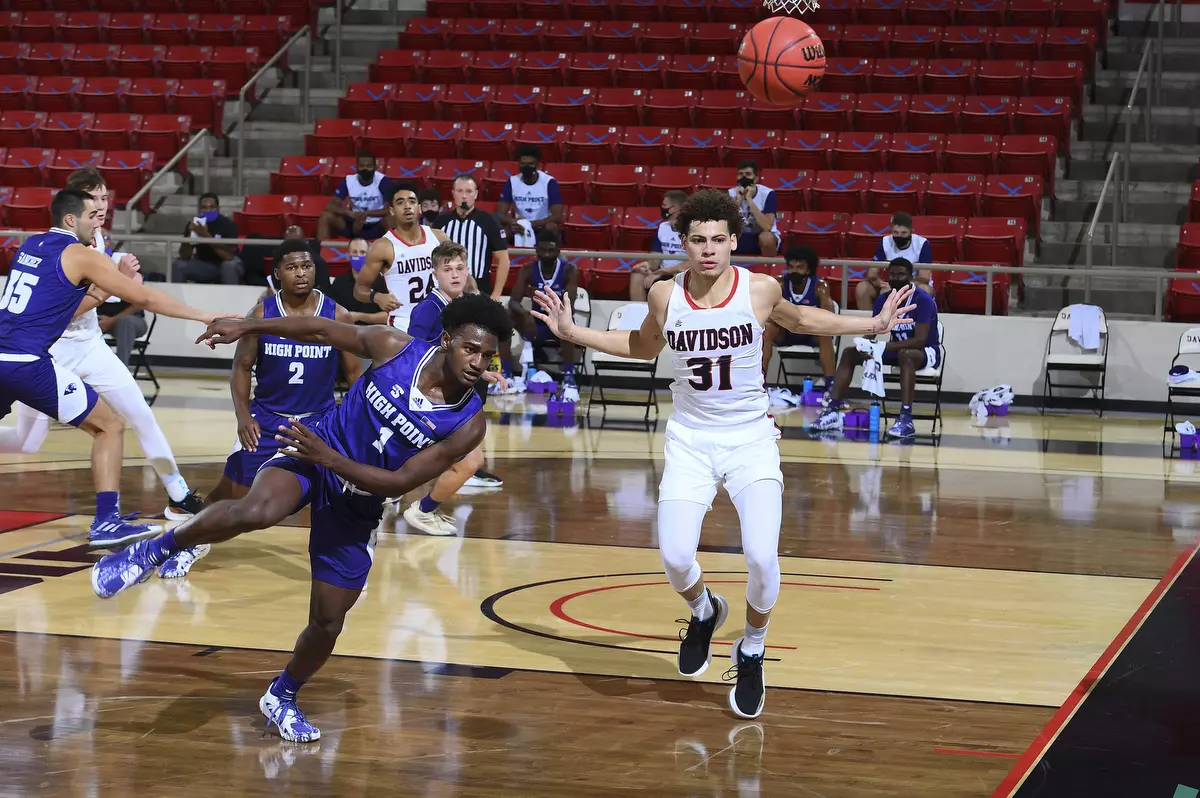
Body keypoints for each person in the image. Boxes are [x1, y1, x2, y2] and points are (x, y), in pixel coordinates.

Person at [531, 189, 913, 719]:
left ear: (734, 241)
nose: (708, 249)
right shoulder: (665, 295)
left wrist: (870, 326)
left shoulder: (759, 289)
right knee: (674, 557)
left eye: (718, 239)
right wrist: (574, 332)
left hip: (750, 439)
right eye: (697, 240)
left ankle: (752, 646)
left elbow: (801, 319)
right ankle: (704, 610)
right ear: (683, 243)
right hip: (689, 439)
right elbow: (642, 348)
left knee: (760, 556)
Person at [91, 293, 514, 745]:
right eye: (470, 348)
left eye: (487, 354)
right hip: (313, 455)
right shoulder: (397, 347)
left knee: (329, 620)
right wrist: (247, 327)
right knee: (257, 510)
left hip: (358, 496)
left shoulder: (468, 423)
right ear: (448, 340)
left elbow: (397, 483)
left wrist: (330, 459)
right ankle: (152, 550)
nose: (477, 361)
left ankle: (282, 695)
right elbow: (320, 330)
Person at [0, 189, 231, 547]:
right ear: (70, 219)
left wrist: (103, 287)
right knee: (109, 426)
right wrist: (204, 314)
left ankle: (170, 496)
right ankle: (107, 521)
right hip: (29, 363)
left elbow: (57, 307)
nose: (99, 219)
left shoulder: (29, 246)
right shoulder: (79, 254)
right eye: (92, 213)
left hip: (5, 353)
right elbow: (145, 298)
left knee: (34, 437)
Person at [157, 239, 367, 577]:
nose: (301, 273)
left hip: (320, 423)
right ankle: (190, 541)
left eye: (307, 265)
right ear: (277, 274)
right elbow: (241, 367)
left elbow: (356, 372)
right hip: (267, 421)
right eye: (292, 267)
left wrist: (354, 422)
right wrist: (243, 415)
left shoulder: (337, 314)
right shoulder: (261, 314)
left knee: (334, 496)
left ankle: (343, 560)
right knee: (232, 494)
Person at [401, 241, 500, 536]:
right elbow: (414, 355)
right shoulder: (428, 309)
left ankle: (419, 507)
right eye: (447, 270)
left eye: (459, 268)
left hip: (447, 403)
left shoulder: (458, 308)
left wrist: (483, 375)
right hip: (431, 403)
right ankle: (421, 510)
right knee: (471, 462)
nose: (455, 275)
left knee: (451, 461)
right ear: (435, 274)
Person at [814, 257, 938, 440]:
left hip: (927, 351)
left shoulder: (923, 300)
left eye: (901, 274)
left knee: (907, 355)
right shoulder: (883, 300)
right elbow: (873, 332)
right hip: (898, 349)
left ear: (910, 277)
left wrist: (883, 346)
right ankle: (832, 409)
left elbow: (920, 341)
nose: (896, 278)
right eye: (892, 274)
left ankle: (906, 418)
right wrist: (866, 345)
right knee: (850, 353)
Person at [352, 183, 453, 332]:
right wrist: (377, 297)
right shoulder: (383, 247)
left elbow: (460, 274)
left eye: (412, 201)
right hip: (403, 326)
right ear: (392, 211)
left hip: (440, 322)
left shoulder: (439, 238)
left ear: (419, 207)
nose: (407, 206)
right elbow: (359, 289)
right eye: (400, 202)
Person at [509, 229, 579, 402]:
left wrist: (540, 297)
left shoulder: (569, 270)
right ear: (536, 250)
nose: (547, 254)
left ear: (558, 251)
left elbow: (569, 302)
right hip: (535, 324)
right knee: (507, 315)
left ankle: (569, 377)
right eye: (543, 250)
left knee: (568, 322)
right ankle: (507, 374)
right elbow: (513, 301)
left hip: (558, 323)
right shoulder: (527, 270)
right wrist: (525, 314)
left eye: (551, 251)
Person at [762, 244, 836, 391]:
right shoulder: (780, 283)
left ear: (809, 270)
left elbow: (827, 318)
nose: (794, 271)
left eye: (800, 267)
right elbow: (767, 314)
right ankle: (760, 382)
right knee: (768, 330)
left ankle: (830, 386)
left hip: (810, 332)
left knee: (825, 333)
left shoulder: (820, 286)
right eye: (791, 267)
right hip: (786, 331)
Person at [432, 175, 512, 303]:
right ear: (453, 194)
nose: (464, 196)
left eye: (468, 191)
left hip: (480, 290)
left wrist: (496, 295)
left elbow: (503, 259)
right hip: (445, 291)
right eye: (460, 191)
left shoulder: (488, 221)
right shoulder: (441, 222)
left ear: (476, 194)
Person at [857, 211, 934, 310]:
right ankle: (869, 324)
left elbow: (924, 278)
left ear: (911, 231)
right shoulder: (885, 242)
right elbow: (872, 274)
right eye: (896, 232)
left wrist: (900, 287)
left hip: (912, 286)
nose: (899, 236)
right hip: (890, 284)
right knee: (862, 288)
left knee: (926, 290)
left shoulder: (922, 244)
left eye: (903, 233)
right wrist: (882, 284)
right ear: (891, 230)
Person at [316, 152, 392, 242]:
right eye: (362, 166)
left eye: (369, 166)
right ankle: (319, 252)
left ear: (375, 167)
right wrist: (348, 213)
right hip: (353, 222)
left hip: (376, 223)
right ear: (357, 167)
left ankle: (396, 252)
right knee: (326, 216)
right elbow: (330, 206)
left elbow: (390, 209)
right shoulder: (349, 181)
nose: (365, 169)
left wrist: (367, 214)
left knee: (391, 219)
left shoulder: (383, 181)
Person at [630, 190, 688, 302]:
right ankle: (640, 316)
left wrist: (663, 272)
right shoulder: (662, 228)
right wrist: (646, 265)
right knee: (637, 274)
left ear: (674, 208)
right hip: (662, 272)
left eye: (664, 205)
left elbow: (693, 262)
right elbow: (655, 260)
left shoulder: (692, 229)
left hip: (683, 273)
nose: (662, 208)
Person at [171, 193, 243, 284]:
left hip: (227, 264)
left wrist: (205, 235)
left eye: (212, 207)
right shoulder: (195, 225)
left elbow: (229, 256)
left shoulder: (228, 224)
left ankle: (231, 297)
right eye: (204, 207)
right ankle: (176, 298)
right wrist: (190, 237)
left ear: (218, 209)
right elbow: (184, 256)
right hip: (205, 265)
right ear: (199, 209)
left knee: (229, 265)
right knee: (177, 266)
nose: (208, 210)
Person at [495, 145, 563, 238]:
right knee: (502, 233)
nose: (527, 167)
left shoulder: (549, 182)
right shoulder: (512, 182)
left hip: (541, 226)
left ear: (537, 165)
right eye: (523, 164)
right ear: (519, 165)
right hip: (519, 226)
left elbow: (557, 217)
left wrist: (532, 224)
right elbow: (499, 214)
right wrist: (513, 222)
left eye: (531, 164)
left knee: (552, 227)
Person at [727, 161, 781, 259]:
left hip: (759, 237)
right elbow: (725, 223)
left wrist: (749, 200)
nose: (744, 178)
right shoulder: (731, 193)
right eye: (740, 174)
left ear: (755, 179)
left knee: (766, 238)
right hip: (739, 237)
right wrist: (738, 201)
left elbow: (767, 227)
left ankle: (768, 268)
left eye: (748, 174)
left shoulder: (768, 194)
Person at [329, 238, 388, 324]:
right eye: (354, 252)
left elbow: (388, 317)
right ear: (348, 255)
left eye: (362, 252)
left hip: (375, 332)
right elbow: (332, 313)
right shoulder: (339, 282)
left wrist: (359, 316)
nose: (358, 256)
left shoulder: (382, 281)